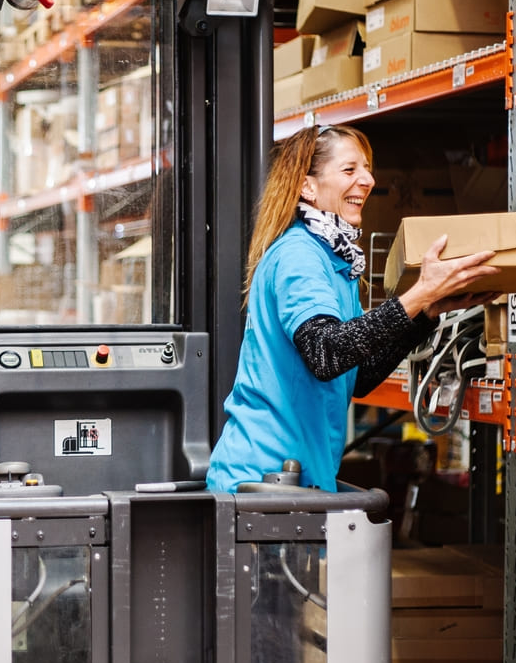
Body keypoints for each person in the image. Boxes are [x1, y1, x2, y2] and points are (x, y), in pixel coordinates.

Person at [206, 125, 500, 493]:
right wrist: (419, 293)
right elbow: (325, 353)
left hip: (296, 480)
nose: (368, 180)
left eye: (366, 169)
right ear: (307, 187)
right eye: (349, 170)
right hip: (261, 480)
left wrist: (426, 312)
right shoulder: (299, 255)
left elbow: (355, 376)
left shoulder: (336, 262)